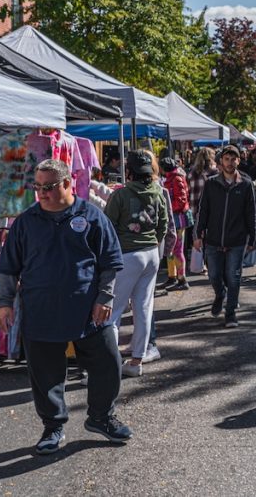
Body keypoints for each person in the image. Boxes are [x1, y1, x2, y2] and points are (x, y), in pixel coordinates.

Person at [0, 159, 132, 454]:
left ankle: (101, 417)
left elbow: (110, 263)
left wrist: (104, 298)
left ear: (68, 184)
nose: (41, 193)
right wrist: (4, 304)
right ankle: (53, 426)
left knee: (108, 363)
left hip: (89, 311)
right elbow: (8, 269)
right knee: (46, 374)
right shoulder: (25, 222)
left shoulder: (92, 216)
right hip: (41, 311)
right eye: (37, 187)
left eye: (48, 187)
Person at [104, 150, 168, 377]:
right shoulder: (158, 193)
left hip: (127, 255)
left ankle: (108, 365)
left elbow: (108, 227)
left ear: (128, 171)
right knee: (143, 308)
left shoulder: (120, 195)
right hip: (151, 253)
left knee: (113, 311)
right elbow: (164, 224)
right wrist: (153, 241)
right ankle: (136, 361)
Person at [193, 145, 256, 328]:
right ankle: (220, 294)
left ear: (239, 160)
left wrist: (254, 238)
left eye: (234, 159)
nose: (230, 163)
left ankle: (230, 313)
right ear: (221, 161)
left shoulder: (246, 184)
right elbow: (203, 211)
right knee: (214, 275)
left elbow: (252, 213)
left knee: (234, 276)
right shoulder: (211, 183)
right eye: (227, 159)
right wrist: (198, 234)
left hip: (237, 240)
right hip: (213, 240)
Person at [160, 156, 192, 290]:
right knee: (171, 249)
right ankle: (172, 277)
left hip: (178, 218)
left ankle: (182, 279)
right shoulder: (172, 178)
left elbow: (181, 200)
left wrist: (168, 207)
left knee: (177, 250)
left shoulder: (176, 178)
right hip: (174, 216)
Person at [186, 147, 218, 275]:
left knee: (198, 236)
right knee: (210, 237)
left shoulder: (192, 172)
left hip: (194, 208)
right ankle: (209, 263)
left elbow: (188, 190)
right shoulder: (214, 172)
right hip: (211, 209)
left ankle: (201, 264)